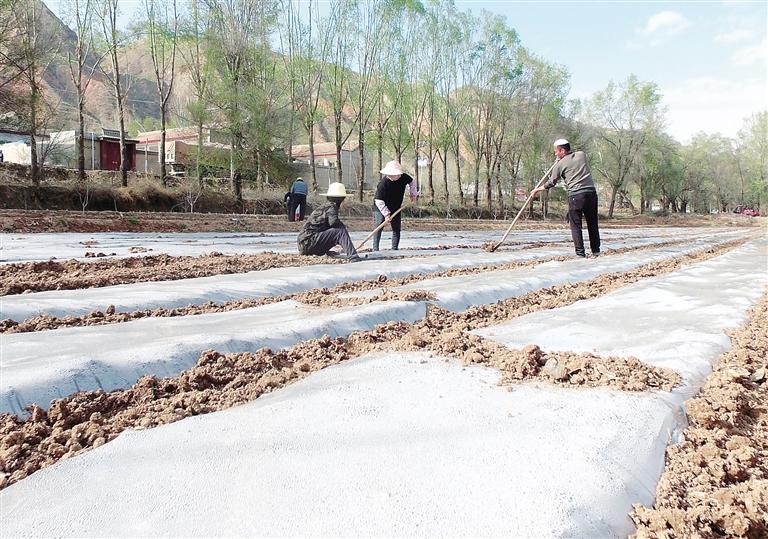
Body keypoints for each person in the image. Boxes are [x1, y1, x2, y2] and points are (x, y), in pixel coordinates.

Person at [532, 138, 601, 258]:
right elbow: (572, 158)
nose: (555, 154)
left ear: (562, 151)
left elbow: (551, 183)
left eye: (556, 151)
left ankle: (580, 254)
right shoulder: (581, 155)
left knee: (575, 226)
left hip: (576, 195)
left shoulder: (559, 165)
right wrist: (561, 159)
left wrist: (537, 189)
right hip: (591, 194)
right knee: (592, 223)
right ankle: (596, 251)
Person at [297, 182, 361, 261]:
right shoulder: (331, 208)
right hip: (308, 243)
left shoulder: (325, 207)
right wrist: (343, 226)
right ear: (340, 200)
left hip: (305, 245)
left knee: (335, 230)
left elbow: (323, 228)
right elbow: (333, 223)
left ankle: (325, 251)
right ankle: (353, 256)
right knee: (340, 231)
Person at [372, 160, 418, 251]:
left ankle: (394, 249)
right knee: (379, 225)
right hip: (381, 207)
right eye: (389, 174)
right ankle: (375, 248)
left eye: (393, 174)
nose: (390, 175)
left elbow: (412, 182)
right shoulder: (383, 184)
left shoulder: (404, 177)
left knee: (396, 228)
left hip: (396, 206)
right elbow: (379, 200)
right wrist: (386, 214)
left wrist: (413, 194)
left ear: (398, 174)